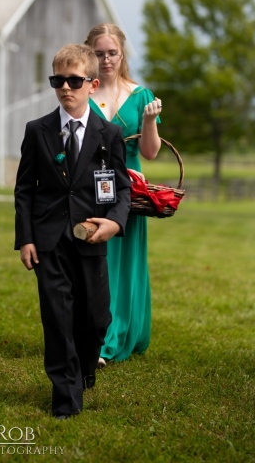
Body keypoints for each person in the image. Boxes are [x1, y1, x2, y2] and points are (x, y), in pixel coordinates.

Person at [14, 44, 131, 419]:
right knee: (57, 315)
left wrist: (114, 221)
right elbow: (24, 189)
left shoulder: (108, 134)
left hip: (91, 237)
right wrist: (27, 238)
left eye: (74, 81)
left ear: (92, 84)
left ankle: (84, 366)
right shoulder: (38, 131)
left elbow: (122, 188)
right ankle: (65, 397)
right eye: (58, 80)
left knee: (96, 318)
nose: (66, 88)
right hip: (49, 239)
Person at [84, 23, 162, 364]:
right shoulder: (82, 90)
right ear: (89, 54)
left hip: (129, 189)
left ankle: (119, 333)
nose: (105, 60)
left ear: (122, 54)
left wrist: (148, 121)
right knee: (96, 262)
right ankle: (97, 333)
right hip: (91, 187)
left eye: (111, 53)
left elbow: (150, 152)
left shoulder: (141, 95)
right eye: (98, 54)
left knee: (125, 262)